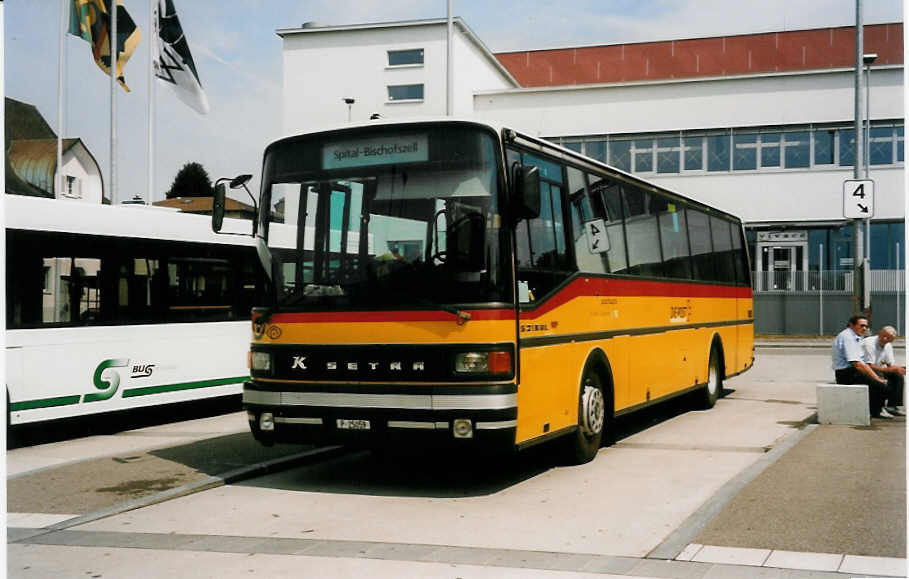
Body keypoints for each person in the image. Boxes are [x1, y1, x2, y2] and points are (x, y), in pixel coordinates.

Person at [832, 315, 891, 418]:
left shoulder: (854, 336)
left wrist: (877, 376)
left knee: (889, 377)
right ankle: (876, 410)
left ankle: (885, 407)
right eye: (862, 325)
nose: (864, 328)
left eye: (866, 326)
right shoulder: (848, 338)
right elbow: (857, 364)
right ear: (851, 325)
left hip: (852, 370)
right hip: (846, 373)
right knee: (879, 384)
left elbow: (861, 363)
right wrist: (876, 378)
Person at [862, 325, 905, 417]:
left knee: (897, 376)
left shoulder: (888, 345)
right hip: (865, 370)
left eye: (889, 338)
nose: (885, 339)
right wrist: (889, 369)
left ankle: (892, 406)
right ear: (879, 334)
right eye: (884, 336)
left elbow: (890, 365)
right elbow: (869, 365)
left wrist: (897, 369)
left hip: (877, 368)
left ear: (892, 340)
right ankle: (878, 409)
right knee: (880, 377)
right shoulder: (869, 343)